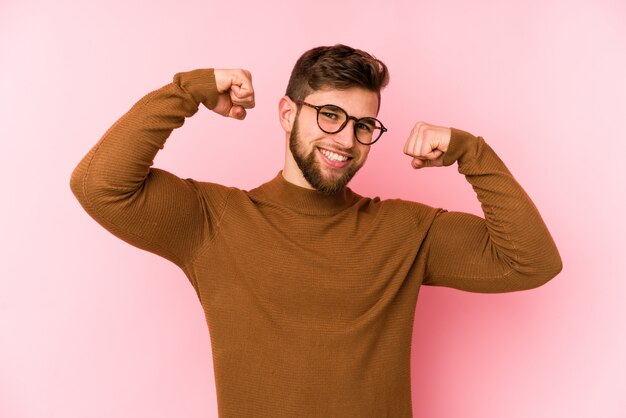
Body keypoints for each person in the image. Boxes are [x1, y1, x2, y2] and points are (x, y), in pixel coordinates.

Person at [70, 44, 562, 418]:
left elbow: (532, 262)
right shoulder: (213, 221)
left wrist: (471, 152)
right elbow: (99, 185)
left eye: (364, 124)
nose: (346, 139)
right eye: (330, 115)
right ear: (288, 114)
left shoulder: (406, 229)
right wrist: (188, 91)